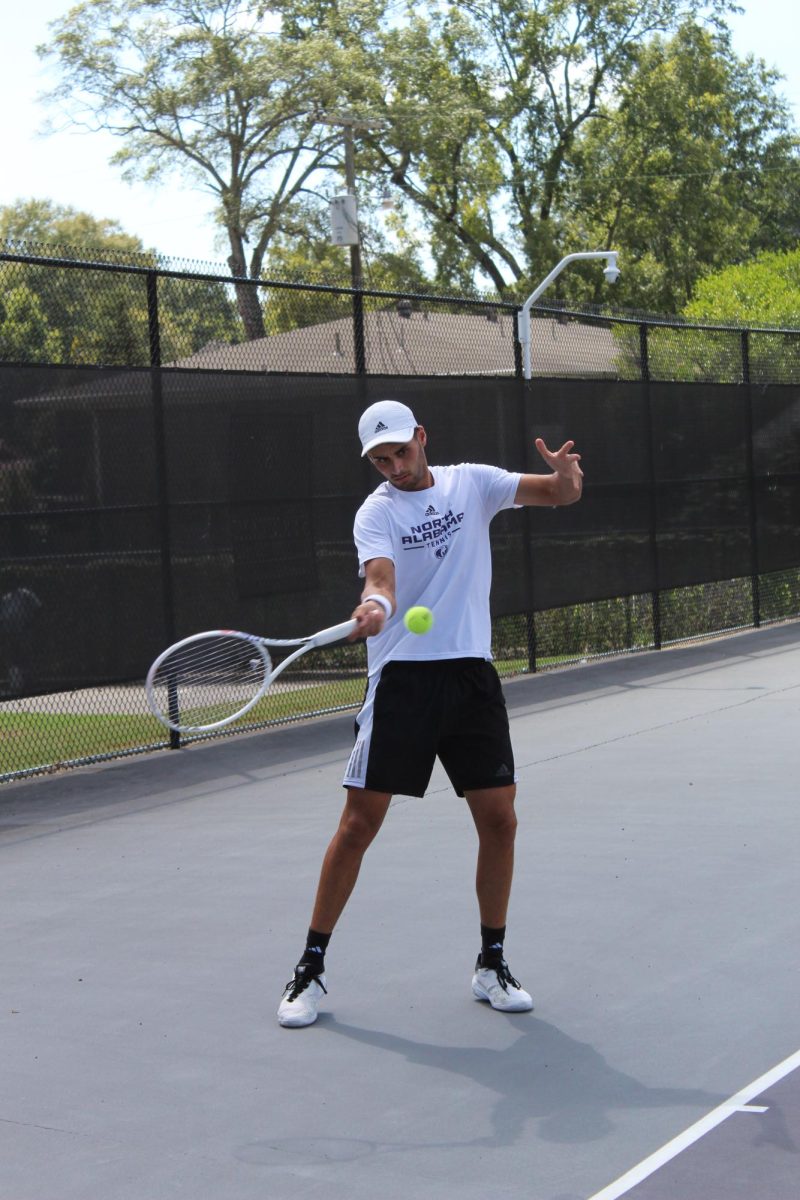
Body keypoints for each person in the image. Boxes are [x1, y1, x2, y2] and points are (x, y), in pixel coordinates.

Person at [277, 399, 583, 1027]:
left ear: (421, 437)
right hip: (403, 683)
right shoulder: (376, 512)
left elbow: (555, 493)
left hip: (471, 676)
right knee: (359, 825)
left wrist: (567, 479)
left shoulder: (473, 483)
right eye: (380, 459)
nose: (393, 466)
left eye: (400, 451)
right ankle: (309, 969)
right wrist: (375, 608)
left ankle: (490, 962)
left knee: (500, 821)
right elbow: (381, 579)